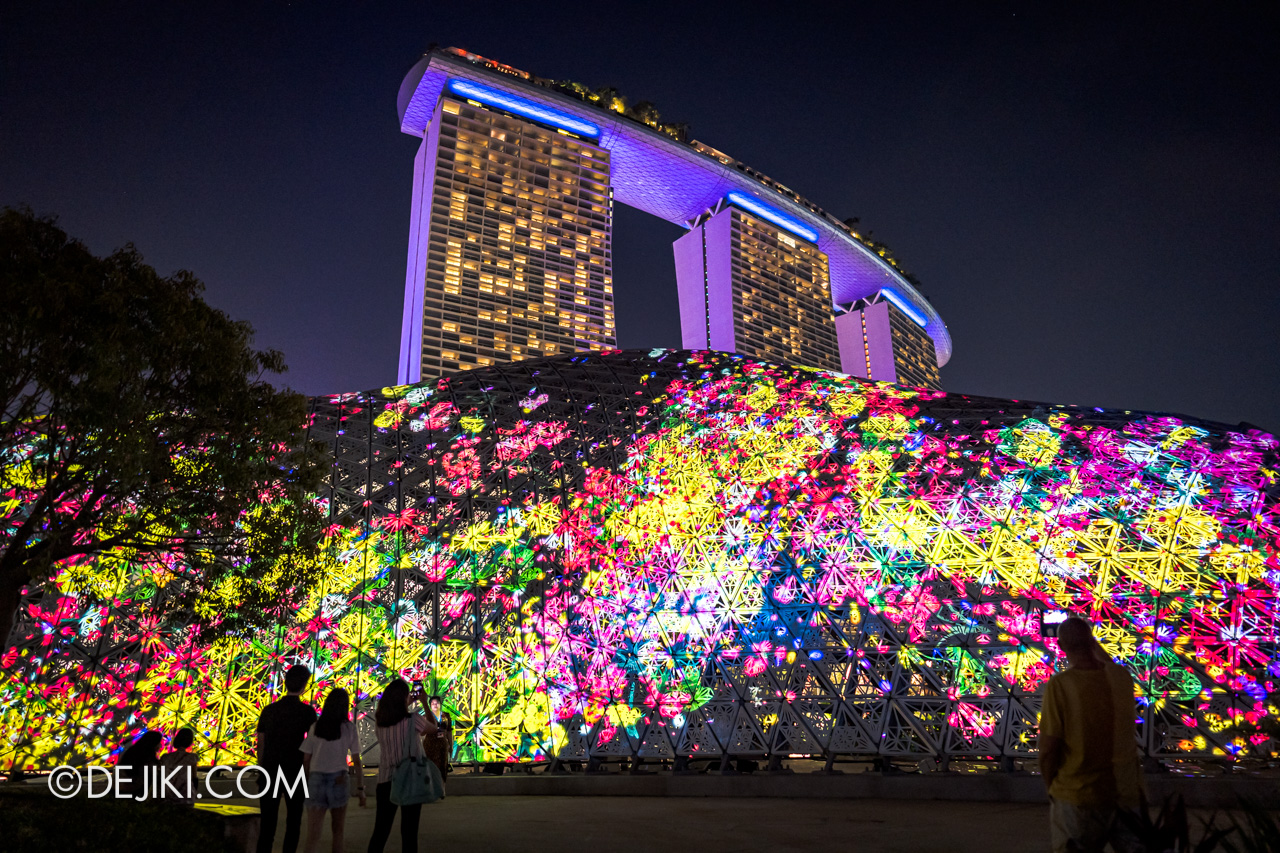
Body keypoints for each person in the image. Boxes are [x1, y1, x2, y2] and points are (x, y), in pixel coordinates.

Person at [1039, 617, 1143, 853]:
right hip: (1127, 793)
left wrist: (1051, 787)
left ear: (1061, 646)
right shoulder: (1122, 677)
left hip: (1079, 794)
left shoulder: (1061, 685)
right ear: (1092, 641)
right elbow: (1109, 665)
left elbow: (1047, 749)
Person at [367, 679, 437, 853]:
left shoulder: (379, 721)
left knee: (380, 832)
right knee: (409, 834)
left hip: (385, 781)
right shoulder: (414, 720)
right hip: (411, 779)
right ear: (404, 698)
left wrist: (405, 700)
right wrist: (424, 703)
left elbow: (394, 714)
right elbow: (434, 728)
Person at [256, 664, 318, 853]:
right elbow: (312, 746)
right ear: (304, 686)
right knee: (294, 822)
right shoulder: (308, 713)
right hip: (295, 770)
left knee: (267, 823)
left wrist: (262, 768)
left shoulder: (269, 710)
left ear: (285, 683)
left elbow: (261, 744)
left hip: (270, 769)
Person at [301, 688, 366, 853]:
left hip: (316, 779)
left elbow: (306, 759)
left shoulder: (316, 726)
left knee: (313, 835)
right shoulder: (349, 728)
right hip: (339, 779)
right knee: (338, 832)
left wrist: (306, 781)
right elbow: (357, 761)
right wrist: (360, 789)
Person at [117, 730, 163, 799]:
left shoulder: (132, 751)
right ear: (154, 743)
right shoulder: (147, 759)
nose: (161, 745)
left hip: (119, 789)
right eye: (159, 742)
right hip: (132, 791)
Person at [160, 727, 199, 805]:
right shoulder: (192, 758)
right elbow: (194, 777)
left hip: (167, 793)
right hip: (185, 794)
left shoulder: (165, 757)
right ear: (190, 741)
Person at [422, 695, 452, 781]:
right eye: (432, 703)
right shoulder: (426, 716)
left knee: (442, 766)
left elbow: (449, 731)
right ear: (430, 705)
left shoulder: (446, 716)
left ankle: (442, 787)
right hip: (430, 743)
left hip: (442, 743)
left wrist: (451, 744)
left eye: (437, 703)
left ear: (441, 704)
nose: (435, 705)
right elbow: (422, 732)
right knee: (430, 765)